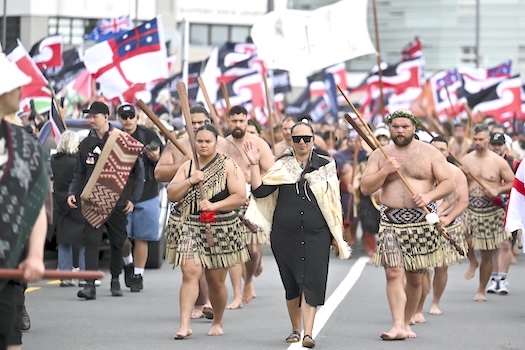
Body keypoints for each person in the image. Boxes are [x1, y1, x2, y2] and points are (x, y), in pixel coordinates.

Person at [244, 121, 350, 348]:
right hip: (285, 235)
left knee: (312, 281)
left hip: (317, 234)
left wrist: (336, 234)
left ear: (313, 139)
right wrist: (253, 165)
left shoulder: (325, 166)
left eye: (306, 138)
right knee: (292, 283)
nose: (302, 143)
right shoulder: (282, 165)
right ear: (291, 142)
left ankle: (308, 333)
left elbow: (333, 203)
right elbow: (260, 191)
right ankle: (295, 329)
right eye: (297, 139)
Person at [360, 110, 455, 340]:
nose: (400, 130)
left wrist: (430, 196)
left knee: (415, 278)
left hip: (421, 223)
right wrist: (385, 171)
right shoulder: (380, 154)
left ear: (414, 128)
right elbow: (365, 187)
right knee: (393, 273)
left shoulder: (430, 152)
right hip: (390, 222)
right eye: (395, 126)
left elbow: (449, 182)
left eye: (404, 126)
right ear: (389, 128)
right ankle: (397, 325)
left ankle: (406, 321)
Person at [157, 105, 248, 319]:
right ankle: (185, 322)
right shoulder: (184, 158)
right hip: (189, 224)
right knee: (190, 273)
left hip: (220, 224)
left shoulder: (227, 158)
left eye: (208, 141)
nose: (204, 144)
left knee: (215, 279)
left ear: (216, 142)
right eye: (200, 141)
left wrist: (215, 205)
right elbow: (166, 185)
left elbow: (240, 193)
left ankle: (218, 317)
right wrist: (190, 176)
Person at [67, 101, 144, 300]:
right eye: (90, 117)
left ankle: (115, 280)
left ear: (105, 117)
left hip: (118, 202)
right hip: (93, 201)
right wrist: (72, 192)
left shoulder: (123, 142)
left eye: (94, 116)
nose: (91, 120)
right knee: (91, 242)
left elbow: (138, 171)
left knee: (118, 242)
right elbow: (79, 173)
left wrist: (133, 199)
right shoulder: (86, 144)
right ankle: (90, 285)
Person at [0, 49, 48, 350]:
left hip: (10, 264)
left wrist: (35, 255)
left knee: (10, 341)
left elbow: (35, 205)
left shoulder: (25, 145)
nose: (21, 90)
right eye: (13, 85)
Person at [412, 135, 469, 321]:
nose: (438, 152)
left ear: (448, 151)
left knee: (441, 267)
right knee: (422, 267)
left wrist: (447, 218)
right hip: (424, 222)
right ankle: (417, 308)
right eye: (434, 148)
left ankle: (435, 301)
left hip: (447, 223)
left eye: (442, 149)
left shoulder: (456, 172)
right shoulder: (420, 170)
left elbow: (462, 201)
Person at [225, 105, 275, 307]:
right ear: (229, 121)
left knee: (253, 250)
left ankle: (248, 281)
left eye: (241, 121)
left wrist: (254, 183)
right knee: (234, 249)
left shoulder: (258, 144)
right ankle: (237, 294)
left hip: (253, 202)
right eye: (234, 121)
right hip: (230, 201)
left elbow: (271, 172)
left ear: (247, 121)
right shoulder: (222, 144)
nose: (238, 124)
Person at [460, 124, 514, 301]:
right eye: (475, 139)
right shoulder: (466, 159)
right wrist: (463, 174)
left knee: (488, 253)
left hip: (491, 210)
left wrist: (498, 190)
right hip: (469, 208)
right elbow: (456, 183)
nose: (477, 142)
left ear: (488, 140)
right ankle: (472, 261)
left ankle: (481, 290)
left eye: (481, 139)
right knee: (461, 234)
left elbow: (513, 184)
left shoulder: (499, 162)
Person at [117, 104, 163, 293]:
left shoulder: (149, 135)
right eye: (124, 116)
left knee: (142, 237)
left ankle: (138, 274)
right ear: (119, 118)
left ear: (137, 117)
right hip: (122, 194)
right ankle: (128, 263)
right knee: (122, 237)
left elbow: (163, 159)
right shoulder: (115, 137)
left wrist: (155, 157)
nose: (128, 120)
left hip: (147, 193)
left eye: (131, 116)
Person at [485, 132, 520, 294]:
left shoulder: (514, 163)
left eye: (499, 144)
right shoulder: (484, 161)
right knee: (492, 245)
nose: (497, 147)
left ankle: (502, 279)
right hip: (487, 208)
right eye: (494, 144)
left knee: (505, 244)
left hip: (508, 208)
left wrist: (499, 190)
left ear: (505, 145)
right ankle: (494, 278)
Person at [50, 131, 86, 287]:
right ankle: (84, 276)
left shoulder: (53, 161)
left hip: (59, 202)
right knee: (84, 239)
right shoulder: (76, 162)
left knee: (64, 240)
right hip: (76, 200)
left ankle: (65, 276)